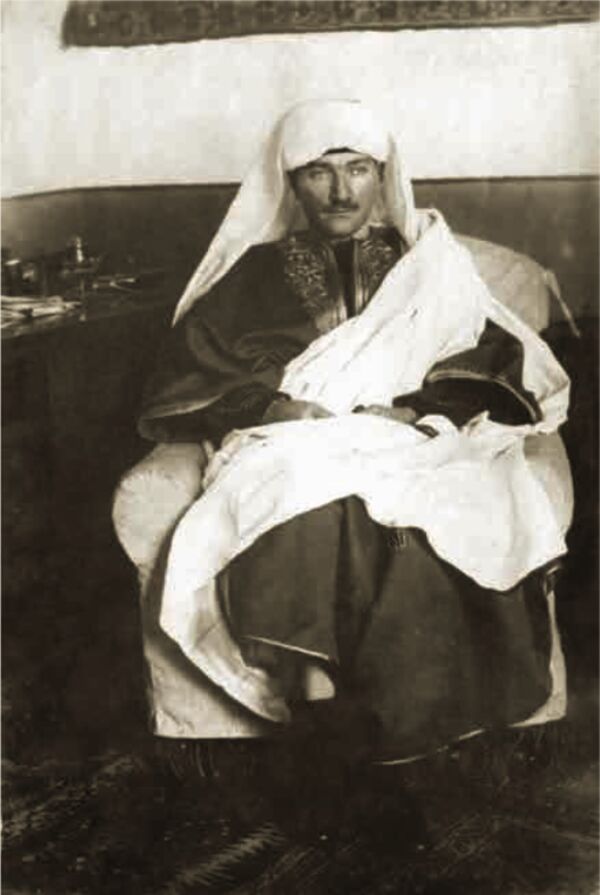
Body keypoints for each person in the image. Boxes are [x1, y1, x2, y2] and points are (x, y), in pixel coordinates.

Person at [139, 100, 571, 835]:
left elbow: (488, 357)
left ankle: (397, 757)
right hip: (293, 441)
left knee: (419, 509)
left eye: (358, 169)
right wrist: (274, 406)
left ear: (382, 175)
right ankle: (327, 742)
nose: (341, 192)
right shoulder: (252, 274)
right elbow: (194, 374)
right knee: (307, 499)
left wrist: (414, 411)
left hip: (410, 434)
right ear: (292, 183)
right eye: (319, 172)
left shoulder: (429, 263)